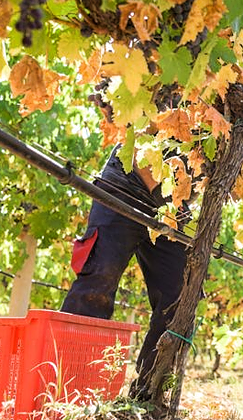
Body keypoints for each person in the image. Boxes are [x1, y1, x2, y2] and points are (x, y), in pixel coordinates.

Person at [61, 143, 192, 399]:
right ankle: (65, 386)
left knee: (181, 296)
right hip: (125, 186)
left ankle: (148, 395)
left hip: (170, 206)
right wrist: (170, 202)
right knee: (99, 279)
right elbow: (138, 138)